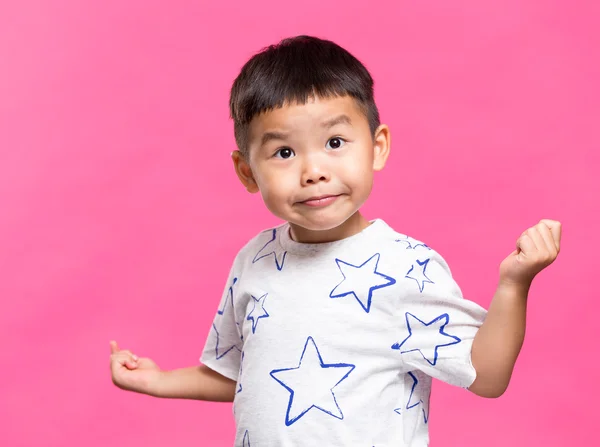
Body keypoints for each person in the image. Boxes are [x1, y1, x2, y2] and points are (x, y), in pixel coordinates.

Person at [109, 35, 561, 446]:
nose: (314, 171)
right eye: (284, 152)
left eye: (336, 142)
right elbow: (249, 375)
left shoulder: (404, 266)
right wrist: (158, 380)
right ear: (248, 171)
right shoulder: (256, 260)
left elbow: (486, 374)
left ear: (377, 146)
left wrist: (513, 285)